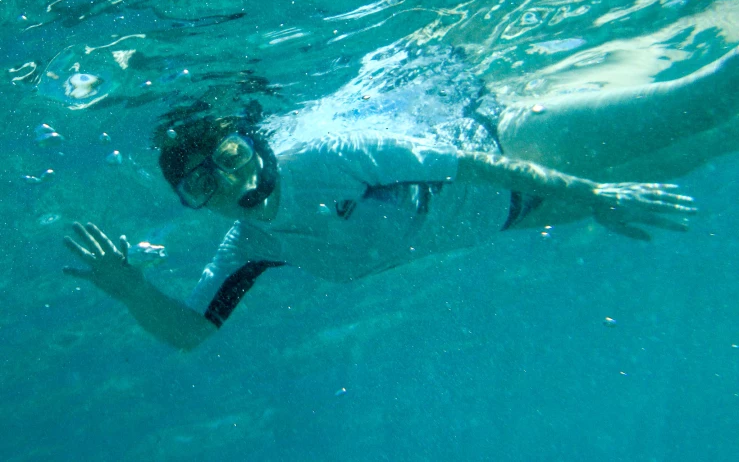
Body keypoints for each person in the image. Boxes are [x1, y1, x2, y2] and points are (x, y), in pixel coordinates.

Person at [63, 45, 739, 350]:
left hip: (515, 150)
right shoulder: (252, 245)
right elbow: (192, 332)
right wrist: (128, 290)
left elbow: (471, 165)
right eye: (202, 183)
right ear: (194, 201)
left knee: (699, 100)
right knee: (706, 147)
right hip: (514, 213)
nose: (231, 181)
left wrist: (590, 192)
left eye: (230, 157)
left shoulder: (323, 154)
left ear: (252, 142)